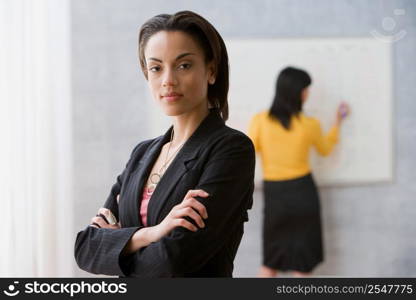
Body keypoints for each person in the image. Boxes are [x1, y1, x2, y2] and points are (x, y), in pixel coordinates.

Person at [74, 11, 255, 278]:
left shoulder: (231, 149)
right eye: (156, 68)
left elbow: (172, 263)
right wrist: (153, 233)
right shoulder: (142, 154)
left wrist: (119, 244)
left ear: (211, 71)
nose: (168, 80)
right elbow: (85, 249)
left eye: (184, 65)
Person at [248, 66, 349, 277]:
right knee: (302, 263)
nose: (308, 93)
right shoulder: (310, 124)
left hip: (275, 193)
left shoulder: (260, 121)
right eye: (305, 89)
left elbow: (248, 152)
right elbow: (325, 149)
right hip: (303, 191)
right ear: (297, 92)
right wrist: (338, 123)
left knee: (271, 259)